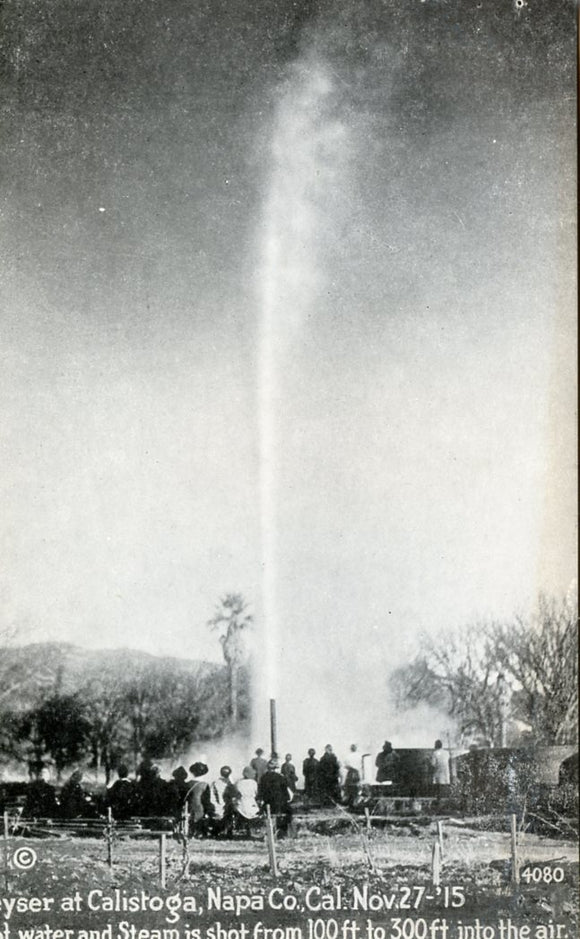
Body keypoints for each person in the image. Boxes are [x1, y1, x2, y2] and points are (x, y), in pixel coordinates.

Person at [257, 758, 292, 837]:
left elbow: (260, 792)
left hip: (268, 804)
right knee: (289, 811)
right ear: (276, 768)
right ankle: (282, 831)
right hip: (279, 803)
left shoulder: (263, 777)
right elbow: (285, 792)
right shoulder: (280, 777)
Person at [187, 762, 214, 837]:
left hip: (188, 808)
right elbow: (206, 801)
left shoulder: (188, 783)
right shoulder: (204, 785)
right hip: (199, 809)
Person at [211, 766, 237, 837]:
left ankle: (217, 830)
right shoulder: (230, 784)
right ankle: (229, 830)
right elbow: (234, 795)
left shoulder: (215, 782)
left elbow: (212, 795)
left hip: (217, 806)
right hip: (227, 807)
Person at [234, 766, 260, 836]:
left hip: (241, 805)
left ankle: (241, 827)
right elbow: (256, 793)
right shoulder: (254, 783)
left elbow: (237, 794)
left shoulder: (239, 783)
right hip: (251, 804)